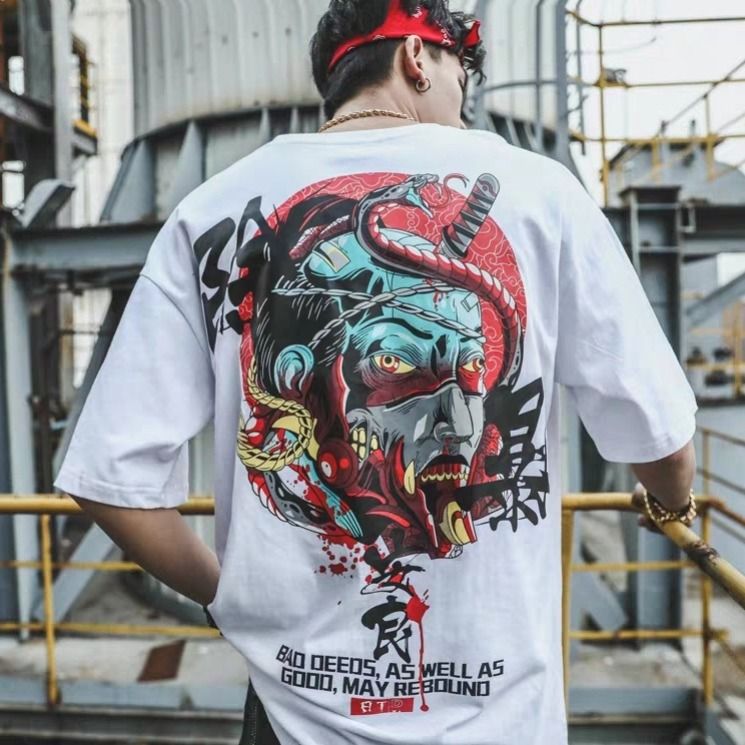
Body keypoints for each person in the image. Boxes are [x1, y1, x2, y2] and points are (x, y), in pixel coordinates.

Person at [53, 1, 698, 743]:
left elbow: (109, 479)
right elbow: (662, 439)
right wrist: (671, 504)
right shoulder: (545, 195)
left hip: (293, 719)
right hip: (501, 722)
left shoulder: (211, 210)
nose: (458, 422)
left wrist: (230, 599)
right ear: (417, 57)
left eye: (468, 370)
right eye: (397, 364)